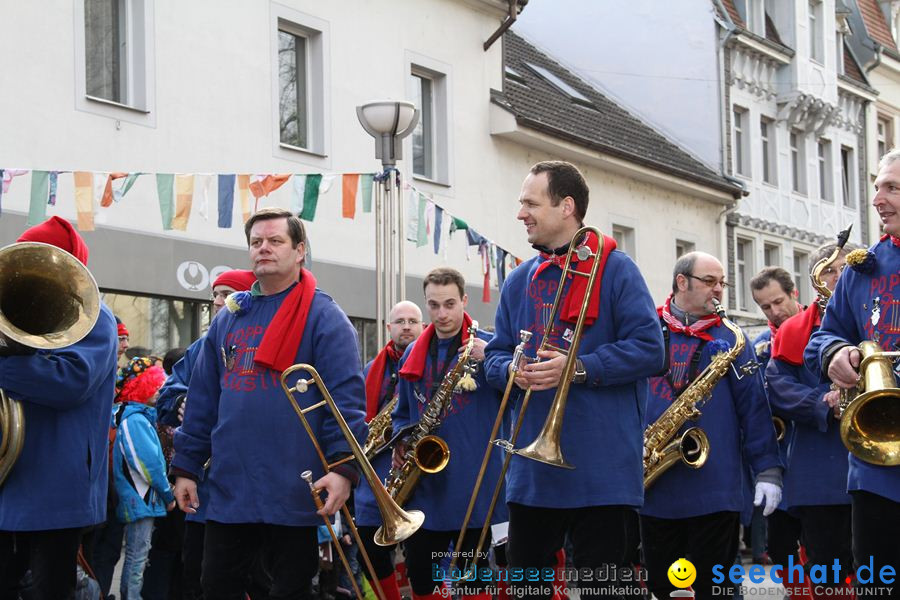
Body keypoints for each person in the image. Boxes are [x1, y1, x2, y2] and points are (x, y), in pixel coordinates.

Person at [483, 161, 665, 600]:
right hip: (532, 475)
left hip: (602, 472)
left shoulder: (618, 269)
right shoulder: (520, 280)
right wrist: (511, 370)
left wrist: (576, 367)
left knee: (605, 591)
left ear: (567, 206)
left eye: (530, 203)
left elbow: (650, 349)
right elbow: (494, 357)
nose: (520, 213)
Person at [171, 207, 366, 600]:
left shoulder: (325, 316)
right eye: (256, 242)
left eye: (275, 241)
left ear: (299, 250)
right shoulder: (228, 318)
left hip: (294, 489)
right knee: (215, 588)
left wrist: (344, 469)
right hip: (230, 488)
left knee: (288, 593)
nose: (264, 249)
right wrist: (186, 468)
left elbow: (345, 403)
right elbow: (203, 401)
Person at [641, 252, 783, 600]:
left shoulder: (733, 338)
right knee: (663, 588)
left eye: (723, 283)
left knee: (716, 589)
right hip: (652, 485)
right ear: (681, 282)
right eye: (710, 282)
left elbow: (755, 409)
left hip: (715, 489)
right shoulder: (645, 328)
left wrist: (767, 471)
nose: (719, 290)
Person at [0, 216, 118, 599]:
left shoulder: (95, 318)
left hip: (55, 483)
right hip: (10, 478)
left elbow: (70, 382)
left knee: (50, 589)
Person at [806, 149, 900, 597]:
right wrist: (836, 354)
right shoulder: (863, 268)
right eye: (878, 187)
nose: (878, 199)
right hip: (876, 465)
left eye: (892, 188)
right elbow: (822, 338)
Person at [392, 267, 501, 600]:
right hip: (427, 490)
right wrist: (401, 440)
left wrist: (496, 360)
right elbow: (403, 414)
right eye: (434, 305)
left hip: (475, 489)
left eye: (450, 304)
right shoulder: (413, 353)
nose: (441, 314)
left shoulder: (488, 348)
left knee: (476, 585)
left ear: (464, 301)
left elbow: (520, 395)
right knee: (424, 582)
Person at [767, 241, 860, 597]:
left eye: (846, 268)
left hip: (882, 469)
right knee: (828, 576)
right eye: (830, 271)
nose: (839, 277)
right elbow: (778, 388)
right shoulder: (794, 330)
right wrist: (824, 402)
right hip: (820, 471)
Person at [157, 269, 257, 600]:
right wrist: (185, 400)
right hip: (206, 491)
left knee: (259, 580)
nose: (216, 301)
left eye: (226, 293)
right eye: (214, 294)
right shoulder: (202, 346)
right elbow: (168, 392)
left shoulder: (259, 338)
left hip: (253, 489)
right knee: (199, 578)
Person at [356, 300, 423, 600]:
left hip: (422, 473)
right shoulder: (371, 370)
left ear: (422, 327)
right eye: (400, 321)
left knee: (425, 557)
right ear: (389, 327)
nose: (406, 326)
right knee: (368, 554)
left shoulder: (435, 364)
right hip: (378, 477)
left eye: (413, 320)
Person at [749, 266, 803, 570]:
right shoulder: (759, 346)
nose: (774, 312)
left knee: (827, 548)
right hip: (778, 460)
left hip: (814, 452)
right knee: (781, 550)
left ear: (793, 293)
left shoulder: (822, 332)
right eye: (765, 307)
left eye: (779, 301)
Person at [112, 356, 176, 600]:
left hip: (141, 499)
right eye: (157, 387)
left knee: (138, 556)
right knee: (137, 558)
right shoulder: (136, 420)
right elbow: (149, 465)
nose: (160, 392)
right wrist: (167, 494)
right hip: (140, 500)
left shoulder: (137, 417)